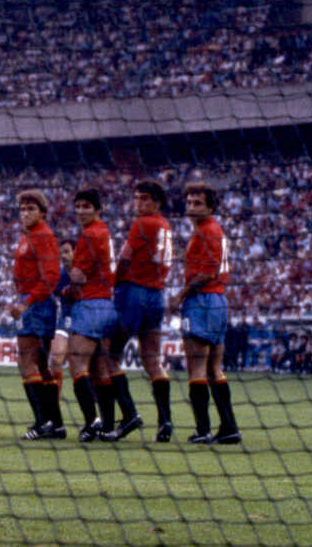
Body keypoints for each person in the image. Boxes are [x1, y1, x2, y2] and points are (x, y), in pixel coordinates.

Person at [101, 180, 174, 443]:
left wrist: (114, 284)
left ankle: (129, 414)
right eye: (137, 198)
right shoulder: (166, 225)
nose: (139, 204)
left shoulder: (143, 223)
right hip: (157, 296)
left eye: (145, 199)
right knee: (152, 359)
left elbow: (125, 258)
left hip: (134, 293)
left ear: (157, 202)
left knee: (109, 354)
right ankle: (165, 422)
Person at [170, 182, 241, 445]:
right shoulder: (210, 230)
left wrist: (179, 295)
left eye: (198, 203)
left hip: (202, 301)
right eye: (189, 202)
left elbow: (208, 271)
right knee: (214, 368)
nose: (191, 207)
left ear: (211, 207)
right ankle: (229, 427)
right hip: (218, 301)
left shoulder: (207, 230)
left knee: (196, 366)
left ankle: (202, 430)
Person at [6, 190, 64, 440]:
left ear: (42, 212)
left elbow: (51, 276)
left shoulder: (43, 235)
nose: (26, 213)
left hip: (37, 305)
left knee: (27, 362)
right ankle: (56, 424)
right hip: (33, 302)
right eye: (22, 209)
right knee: (40, 364)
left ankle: (42, 423)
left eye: (31, 208)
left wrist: (26, 303)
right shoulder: (27, 236)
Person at [63, 189, 118, 442]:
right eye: (78, 206)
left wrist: (68, 279)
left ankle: (91, 421)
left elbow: (78, 276)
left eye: (87, 206)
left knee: (76, 362)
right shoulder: (105, 232)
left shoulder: (89, 233)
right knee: (100, 369)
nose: (81, 210)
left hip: (89, 304)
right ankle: (107, 425)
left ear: (98, 209)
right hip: (107, 304)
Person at [46, 239, 76, 426]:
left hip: (87, 319)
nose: (63, 256)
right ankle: (54, 416)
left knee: (90, 369)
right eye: (61, 252)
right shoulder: (60, 274)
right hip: (65, 320)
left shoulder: (85, 270)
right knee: (55, 360)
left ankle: (101, 420)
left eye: (66, 251)